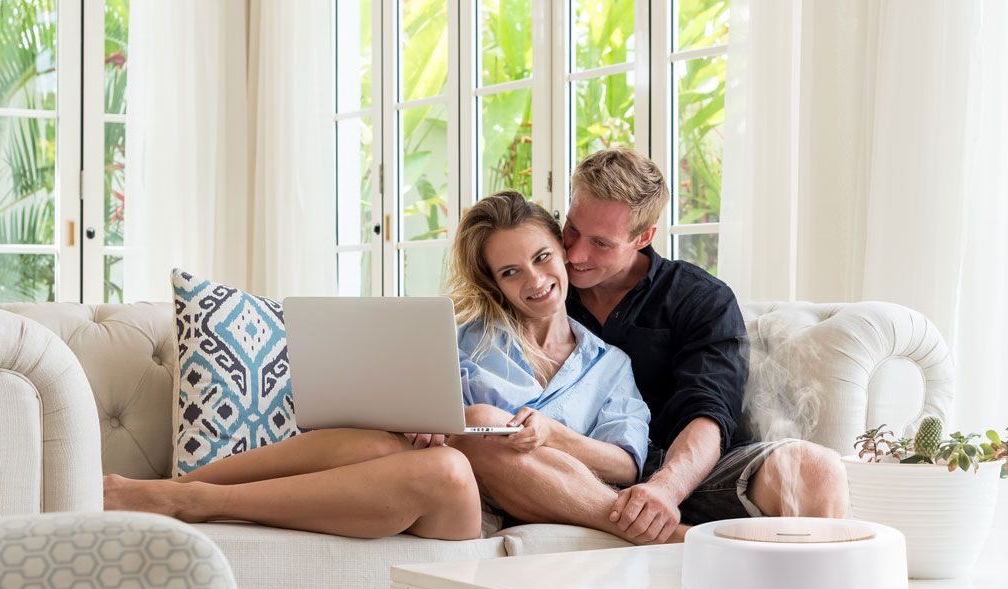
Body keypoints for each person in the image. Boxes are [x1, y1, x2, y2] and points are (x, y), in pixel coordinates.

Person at [102, 192, 648, 541]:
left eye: (541, 257)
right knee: (390, 445)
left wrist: (551, 434)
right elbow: (409, 416)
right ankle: (185, 488)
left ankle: (199, 501)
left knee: (459, 451)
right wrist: (422, 417)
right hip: (436, 485)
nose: (532, 280)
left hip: (503, 509)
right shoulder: (464, 338)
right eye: (510, 272)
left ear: (563, 250)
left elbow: (625, 465)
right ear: (494, 283)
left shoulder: (609, 364)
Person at [456, 148, 849, 545]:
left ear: (643, 237)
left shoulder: (699, 299)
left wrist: (665, 488)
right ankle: (670, 537)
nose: (575, 255)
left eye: (601, 243)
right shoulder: (542, 287)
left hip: (690, 471)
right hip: (571, 473)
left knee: (817, 469)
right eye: (572, 230)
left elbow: (708, 413)